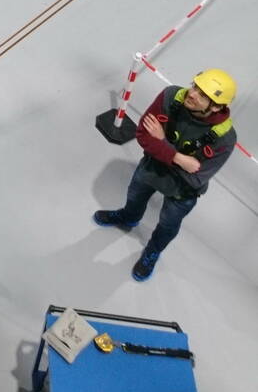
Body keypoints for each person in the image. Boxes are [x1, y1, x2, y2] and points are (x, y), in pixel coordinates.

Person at [94, 69, 238, 281]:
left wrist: (160, 142)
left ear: (216, 106)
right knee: (134, 197)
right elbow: (143, 135)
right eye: (195, 86)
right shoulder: (172, 97)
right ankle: (129, 217)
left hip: (183, 192)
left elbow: (195, 178)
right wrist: (180, 158)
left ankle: (153, 250)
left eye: (202, 95)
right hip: (152, 168)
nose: (192, 94)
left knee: (168, 225)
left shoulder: (225, 138)